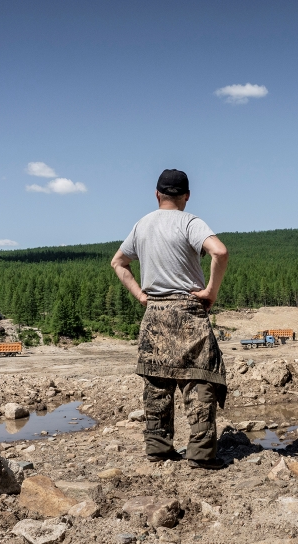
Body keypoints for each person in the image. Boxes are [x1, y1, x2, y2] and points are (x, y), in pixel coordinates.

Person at [110, 169, 230, 470]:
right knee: (198, 378)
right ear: (187, 195)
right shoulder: (190, 221)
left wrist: (140, 295)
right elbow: (220, 252)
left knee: (157, 382)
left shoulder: (142, 225)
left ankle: (158, 449)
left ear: (156, 194)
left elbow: (118, 262)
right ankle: (201, 454)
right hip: (189, 310)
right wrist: (210, 292)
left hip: (155, 312)